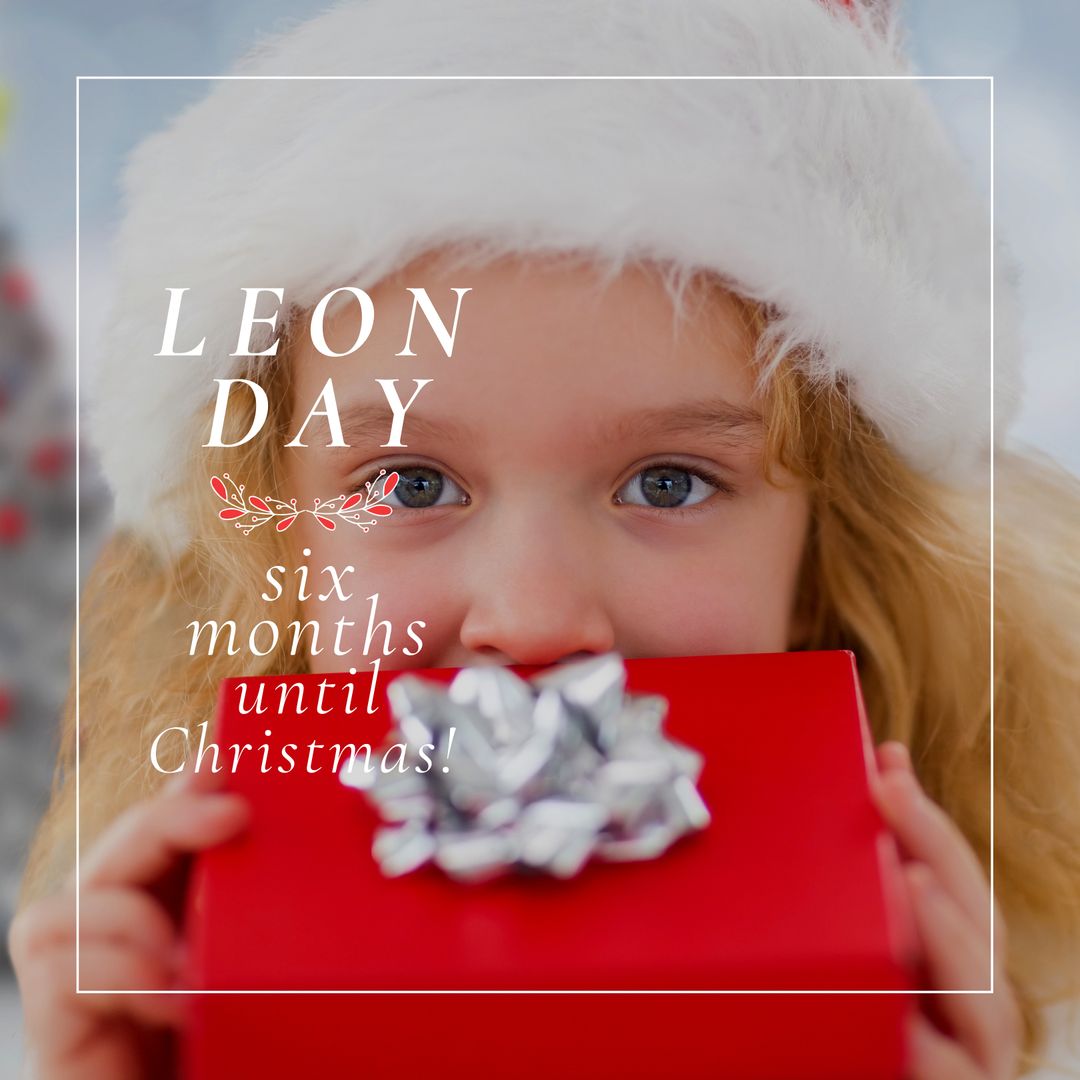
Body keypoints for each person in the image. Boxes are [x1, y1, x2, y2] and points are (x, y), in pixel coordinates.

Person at [9, 1, 1080, 1077]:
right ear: (275, 557)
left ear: (825, 556)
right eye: (409, 482)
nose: (532, 618)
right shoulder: (152, 997)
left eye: (668, 483)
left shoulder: (1014, 1016)